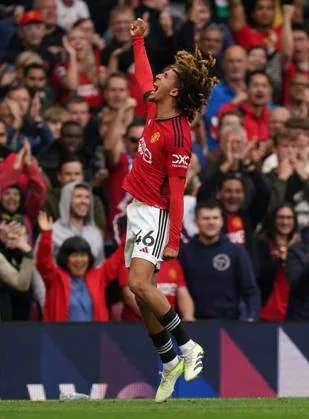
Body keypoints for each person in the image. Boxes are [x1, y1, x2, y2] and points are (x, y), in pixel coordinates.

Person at [123, 18, 215, 403]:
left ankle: (189, 347)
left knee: (143, 285)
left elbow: (178, 194)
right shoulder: (152, 108)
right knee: (136, 292)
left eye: (166, 76)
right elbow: (144, 73)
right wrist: (139, 40)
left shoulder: (178, 135)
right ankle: (167, 362)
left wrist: (174, 239)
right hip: (137, 207)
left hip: (156, 213)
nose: (157, 77)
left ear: (174, 91)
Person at [179, 201, 260, 320]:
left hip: (230, 324)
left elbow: (251, 289)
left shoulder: (236, 251)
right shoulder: (184, 252)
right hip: (193, 324)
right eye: (206, 218)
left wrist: (252, 318)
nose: (211, 222)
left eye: (215, 218)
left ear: (222, 221)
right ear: (196, 222)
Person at [36, 211, 123, 322]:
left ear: (89, 258)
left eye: (83, 255)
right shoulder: (55, 278)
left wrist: (133, 235)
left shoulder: (98, 276)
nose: (79, 260)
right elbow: (43, 262)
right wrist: (46, 235)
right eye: (74, 256)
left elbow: (119, 257)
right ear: (66, 259)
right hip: (59, 338)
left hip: (93, 338)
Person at [257, 204, 299, 321]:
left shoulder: (302, 246)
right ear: (273, 219)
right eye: (280, 217)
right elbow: (258, 275)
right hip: (267, 312)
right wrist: (280, 258)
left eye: (289, 218)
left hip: (295, 313)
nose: (285, 222)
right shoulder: (261, 243)